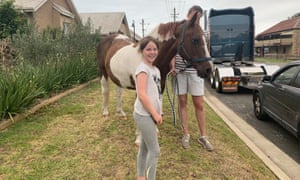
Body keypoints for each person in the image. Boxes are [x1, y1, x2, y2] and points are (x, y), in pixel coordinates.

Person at [170, 5, 213, 151]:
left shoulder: (200, 31)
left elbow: (204, 50)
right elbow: (173, 50)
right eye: (195, 16)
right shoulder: (179, 29)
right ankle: (186, 133)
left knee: (199, 104)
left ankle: (203, 136)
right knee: (182, 102)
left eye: (199, 17)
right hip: (181, 71)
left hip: (195, 71)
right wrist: (172, 66)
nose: (197, 19)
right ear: (189, 14)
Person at [134, 36, 163, 180]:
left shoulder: (155, 70)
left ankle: (140, 176)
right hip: (144, 115)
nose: (152, 52)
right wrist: (155, 114)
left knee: (145, 148)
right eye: (148, 49)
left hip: (151, 115)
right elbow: (142, 95)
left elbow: (156, 94)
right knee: (155, 151)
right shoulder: (142, 69)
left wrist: (159, 112)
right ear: (142, 51)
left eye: (155, 49)